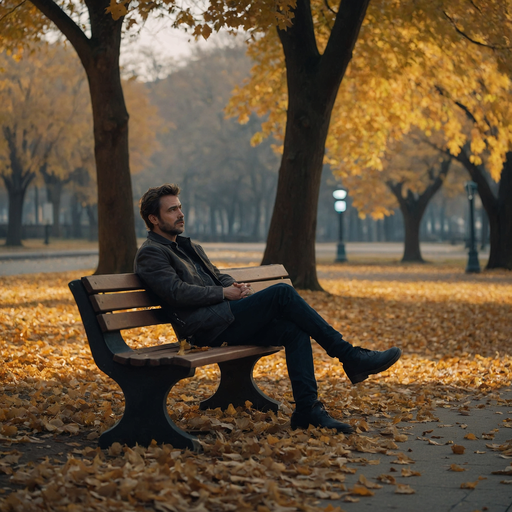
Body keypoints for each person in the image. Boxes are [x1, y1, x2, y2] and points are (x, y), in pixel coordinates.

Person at [135, 184, 402, 434]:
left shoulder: (187, 246)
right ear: (154, 219)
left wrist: (234, 285)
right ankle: (349, 356)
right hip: (202, 330)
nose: (181, 214)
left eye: (180, 207)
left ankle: (307, 410)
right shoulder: (152, 253)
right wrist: (223, 292)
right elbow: (175, 293)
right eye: (172, 210)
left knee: (293, 330)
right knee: (282, 293)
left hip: (222, 318)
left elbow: (217, 275)